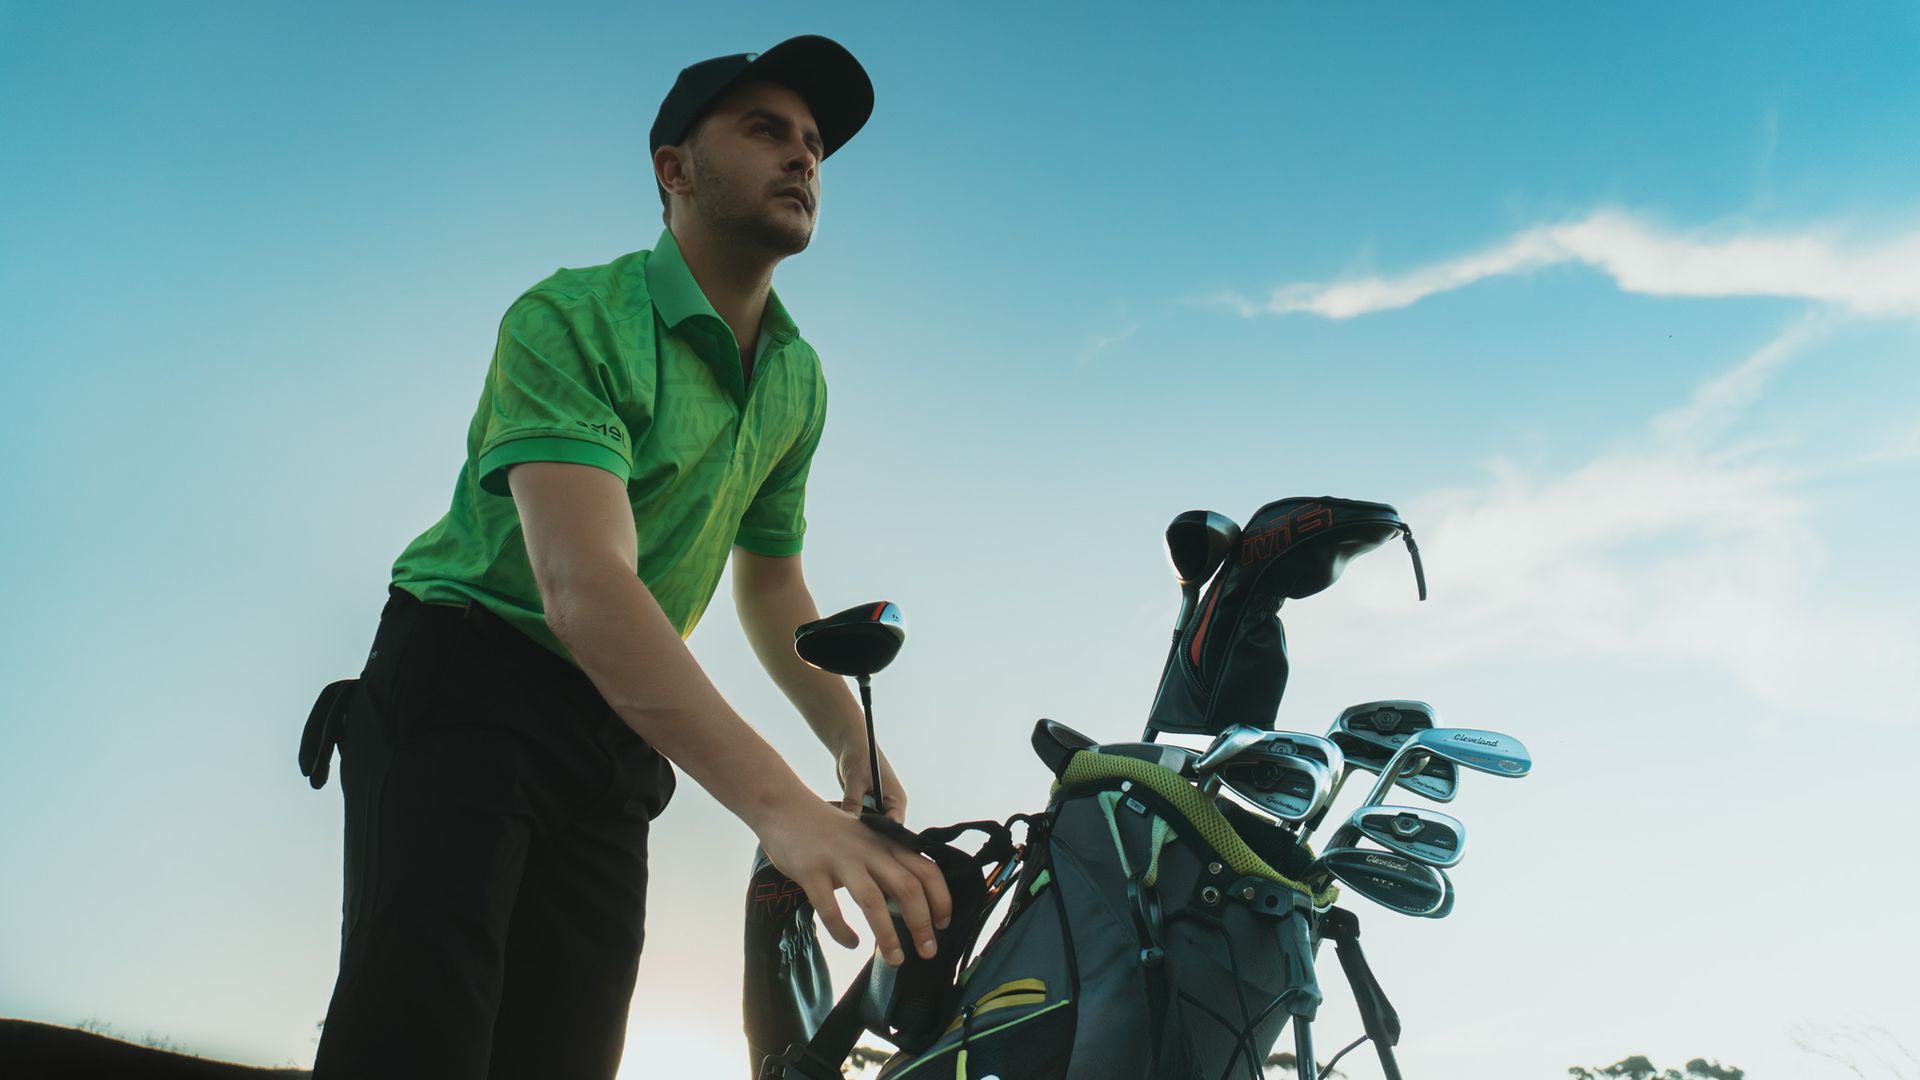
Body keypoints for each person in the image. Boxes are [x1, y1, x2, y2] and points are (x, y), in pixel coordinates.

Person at [309, 35, 952, 1080]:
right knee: (419, 1040)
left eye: (814, 145)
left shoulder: (797, 378)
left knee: (567, 1055)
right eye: (766, 131)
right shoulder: (570, 318)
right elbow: (583, 586)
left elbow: (771, 583)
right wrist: (784, 808)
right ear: (674, 167)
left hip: (619, 730)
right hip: (465, 685)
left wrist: (849, 744)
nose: (803, 157)